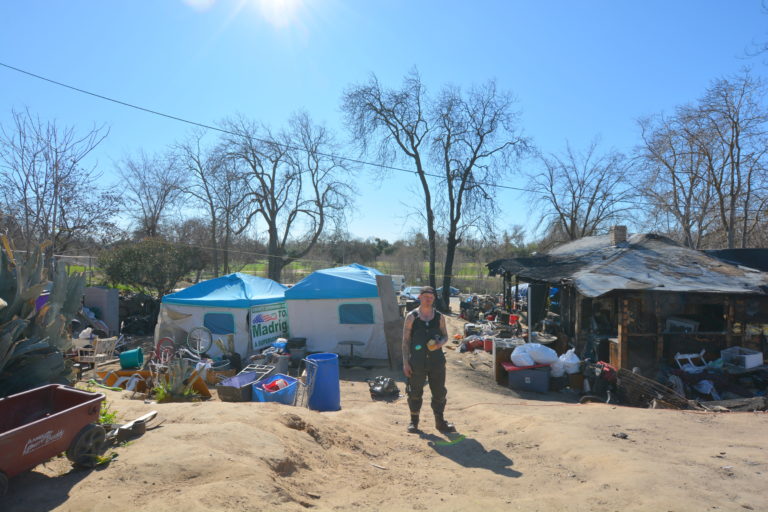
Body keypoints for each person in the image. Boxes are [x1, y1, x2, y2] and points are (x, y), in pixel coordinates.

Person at [402, 286, 456, 433]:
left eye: (431, 297)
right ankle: (414, 422)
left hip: (436, 361)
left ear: (434, 299)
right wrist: (406, 363)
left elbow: (445, 336)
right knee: (414, 392)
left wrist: (441, 343)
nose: (428, 299)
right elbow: (406, 341)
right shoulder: (412, 317)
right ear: (419, 297)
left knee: (439, 392)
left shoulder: (439, 317)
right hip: (417, 362)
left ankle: (440, 422)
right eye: (425, 296)